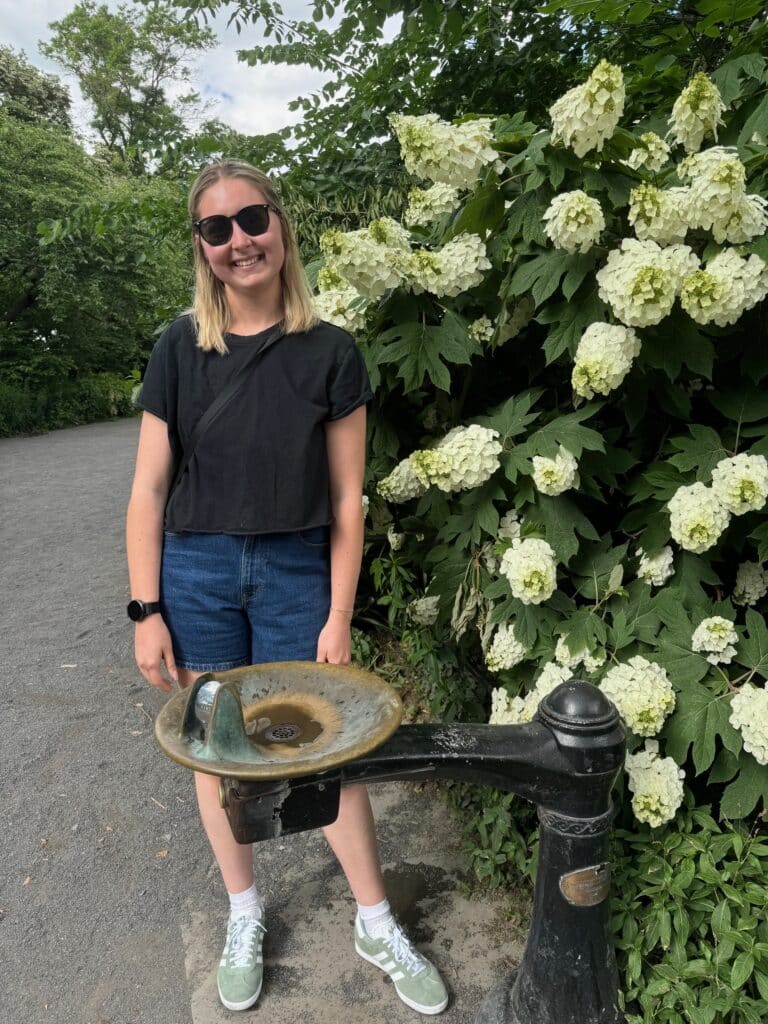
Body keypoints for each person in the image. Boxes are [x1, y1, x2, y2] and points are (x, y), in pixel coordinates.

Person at [125, 159, 448, 1015]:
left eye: (253, 218)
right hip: (193, 572)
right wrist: (145, 607)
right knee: (213, 744)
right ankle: (244, 909)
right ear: (200, 246)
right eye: (217, 228)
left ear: (281, 225)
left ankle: (374, 919)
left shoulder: (331, 352)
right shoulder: (177, 347)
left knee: (326, 750)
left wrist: (339, 613)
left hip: (296, 570)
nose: (239, 240)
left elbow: (348, 499)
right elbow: (149, 490)